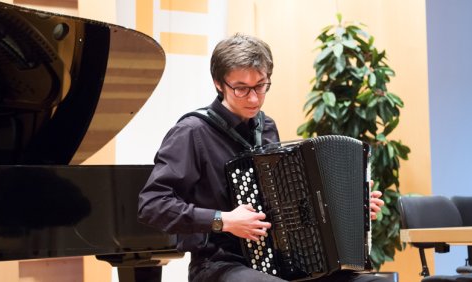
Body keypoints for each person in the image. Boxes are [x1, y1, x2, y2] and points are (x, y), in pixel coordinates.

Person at [138, 33, 386, 282]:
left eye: (260, 85)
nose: (254, 98)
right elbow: (152, 205)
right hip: (218, 264)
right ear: (218, 83)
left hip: (280, 262)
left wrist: (353, 206)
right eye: (241, 89)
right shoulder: (192, 132)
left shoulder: (266, 127)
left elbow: (285, 204)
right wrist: (222, 220)